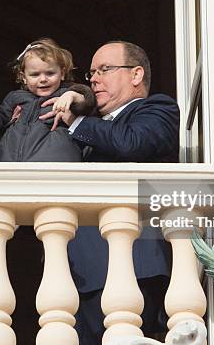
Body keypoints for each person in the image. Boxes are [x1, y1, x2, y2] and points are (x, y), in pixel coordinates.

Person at [47, 41, 179, 344]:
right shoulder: (86, 126)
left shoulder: (157, 108)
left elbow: (133, 142)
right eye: (91, 72)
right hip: (77, 274)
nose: (94, 78)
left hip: (136, 264)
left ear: (135, 75)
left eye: (104, 69)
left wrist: (78, 121)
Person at [0, 38, 96, 162]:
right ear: (23, 77)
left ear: (62, 73)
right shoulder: (15, 97)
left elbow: (89, 104)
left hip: (54, 166)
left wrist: (73, 95)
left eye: (50, 73)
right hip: (11, 165)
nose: (43, 79)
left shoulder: (65, 94)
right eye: (35, 74)